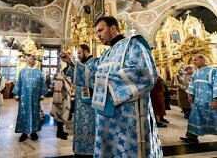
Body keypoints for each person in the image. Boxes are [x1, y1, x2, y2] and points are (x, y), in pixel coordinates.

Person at [61, 16, 163, 157]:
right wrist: (71, 63)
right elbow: (92, 74)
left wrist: (103, 82)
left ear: (113, 28)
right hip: (107, 116)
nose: (98, 34)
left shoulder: (133, 45)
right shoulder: (106, 54)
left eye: (101, 30)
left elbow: (144, 74)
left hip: (129, 118)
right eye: (96, 32)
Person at [180, 54, 217, 143]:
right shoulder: (196, 72)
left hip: (209, 101)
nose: (194, 62)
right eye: (193, 60)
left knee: (214, 120)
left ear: (203, 60)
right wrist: (190, 95)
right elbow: (192, 84)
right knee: (194, 118)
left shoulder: (212, 70)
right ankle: (191, 137)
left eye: (196, 60)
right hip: (197, 102)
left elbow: (216, 84)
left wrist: (215, 99)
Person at [68, 44, 97, 156]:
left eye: (79, 53)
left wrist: (72, 62)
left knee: (90, 127)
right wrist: (70, 63)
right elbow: (71, 74)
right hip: (80, 103)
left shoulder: (95, 62)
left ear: (86, 51)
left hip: (91, 104)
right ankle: (80, 150)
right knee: (80, 127)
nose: (78, 56)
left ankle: (90, 151)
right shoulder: (81, 64)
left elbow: (91, 77)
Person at [13, 55, 47, 142]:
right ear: (27, 60)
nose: (33, 60)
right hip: (24, 97)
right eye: (32, 58)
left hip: (35, 97)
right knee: (24, 113)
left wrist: (42, 94)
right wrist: (17, 94)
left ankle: (33, 132)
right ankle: (24, 132)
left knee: (35, 113)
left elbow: (42, 83)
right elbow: (19, 82)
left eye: (34, 59)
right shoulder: (23, 71)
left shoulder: (38, 72)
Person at [50, 70, 72, 140]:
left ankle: (61, 131)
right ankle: (59, 133)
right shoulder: (60, 78)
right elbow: (57, 90)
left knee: (62, 117)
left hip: (65, 100)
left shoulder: (66, 78)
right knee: (59, 117)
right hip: (61, 100)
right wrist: (58, 102)